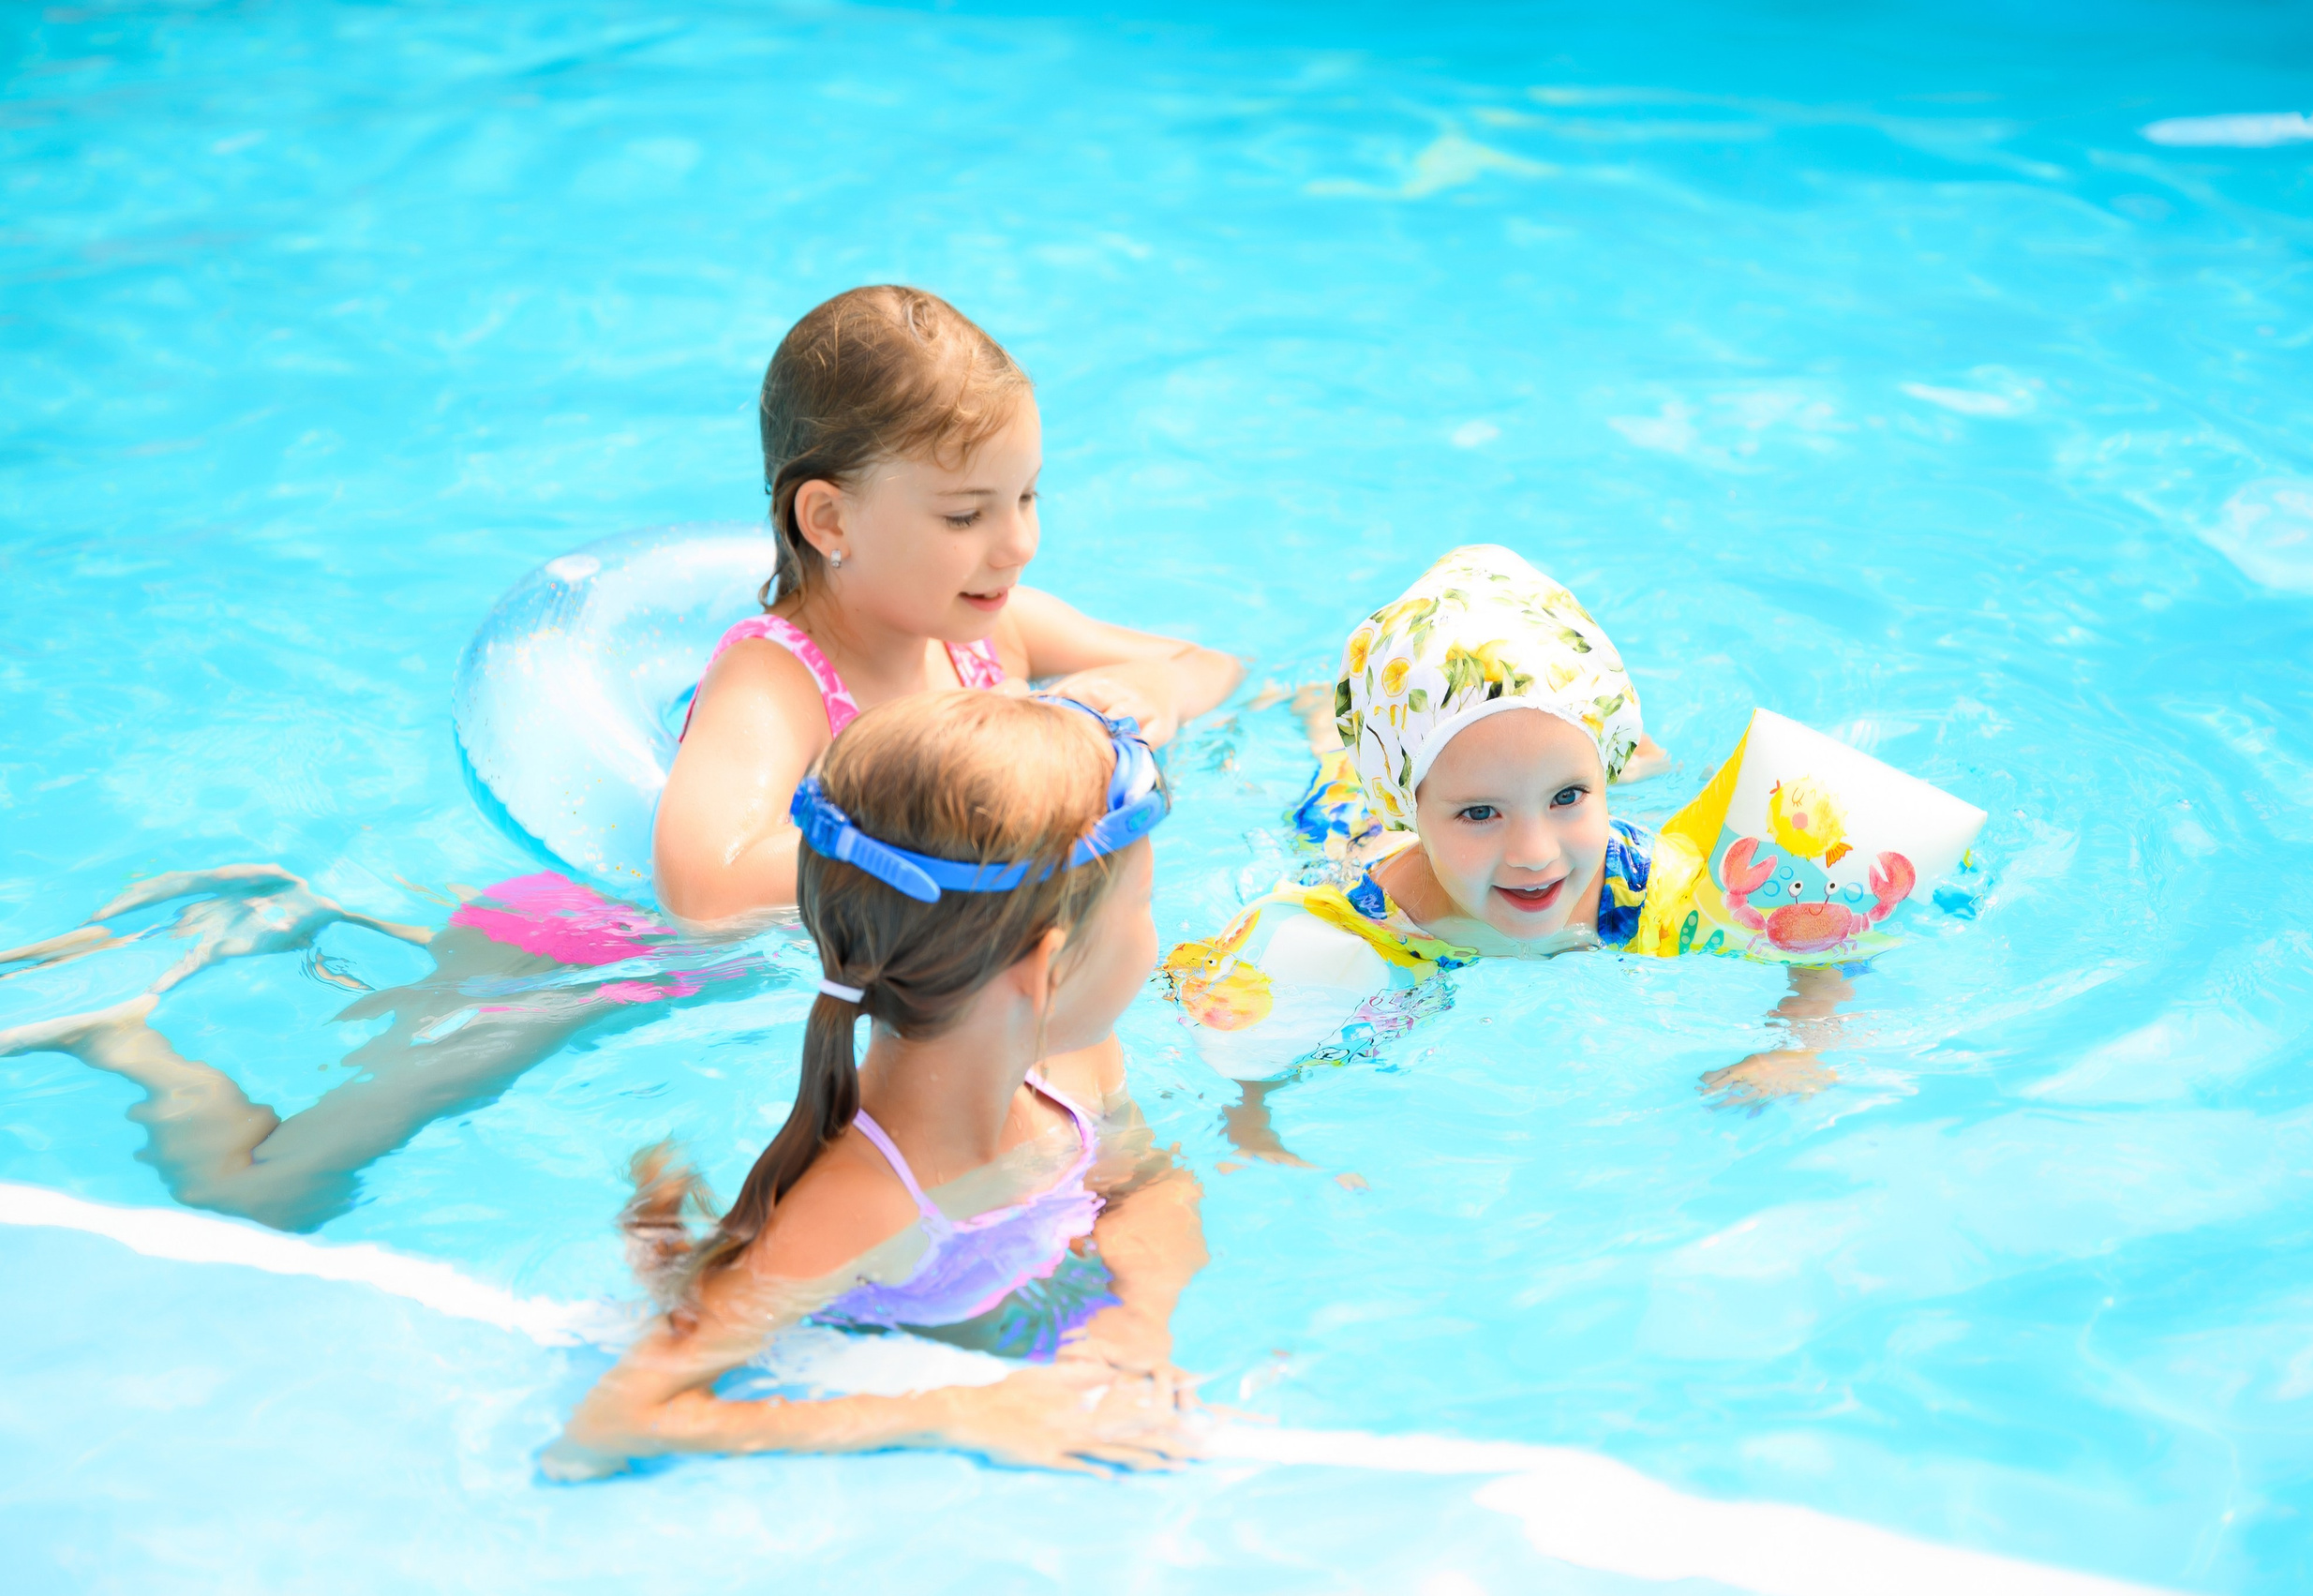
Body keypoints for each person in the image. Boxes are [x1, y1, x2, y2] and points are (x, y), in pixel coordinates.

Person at [544, 691, 1205, 1478]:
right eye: (1146, 905)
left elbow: (1146, 1185)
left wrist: (1143, 1314)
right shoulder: (861, 1205)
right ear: (1044, 968)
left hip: (1031, 1320)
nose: (1157, 935)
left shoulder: (1073, 1063)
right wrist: (954, 1412)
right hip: (893, 1350)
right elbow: (612, 1421)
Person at [1165, 545, 1849, 1163]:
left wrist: (1800, 1047)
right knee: (1334, 799)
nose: (1534, 852)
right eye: (1480, 812)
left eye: (1569, 795)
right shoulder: (1362, 925)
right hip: (1357, 840)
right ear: (1411, 803)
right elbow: (1241, 1075)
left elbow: (1833, 950)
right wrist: (1261, 1138)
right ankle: (1323, 722)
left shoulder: (1653, 891)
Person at [656, 285, 1245, 921]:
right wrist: (954, 809)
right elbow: (704, 888)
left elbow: (1213, 665)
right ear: (829, 520)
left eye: (1027, 497)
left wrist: (1156, 689)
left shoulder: (989, 634)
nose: (1019, 545)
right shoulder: (776, 682)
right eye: (965, 516)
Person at [0, 865, 767, 1232]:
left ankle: (319, 911)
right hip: (584, 955)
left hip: (564, 927)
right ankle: (120, 1036)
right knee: (260, 1189)